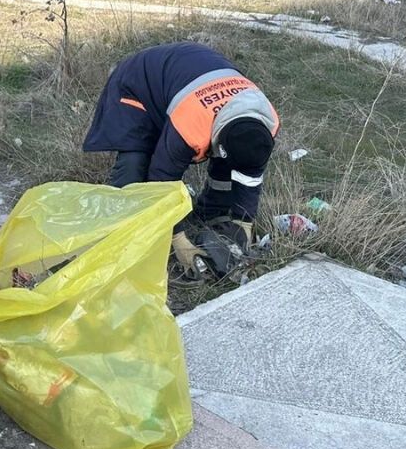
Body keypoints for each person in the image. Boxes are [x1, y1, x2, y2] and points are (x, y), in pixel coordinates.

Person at [82, 42, 280, 278]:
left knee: (227, 165)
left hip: (187, 76)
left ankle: (210, 212)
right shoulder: (191, 126)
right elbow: (162, 179)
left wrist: (244, 220)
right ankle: (120, 236)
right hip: (139, 81)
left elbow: (250, 177)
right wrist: (178, 239)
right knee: (134, 167)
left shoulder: (264, 126)